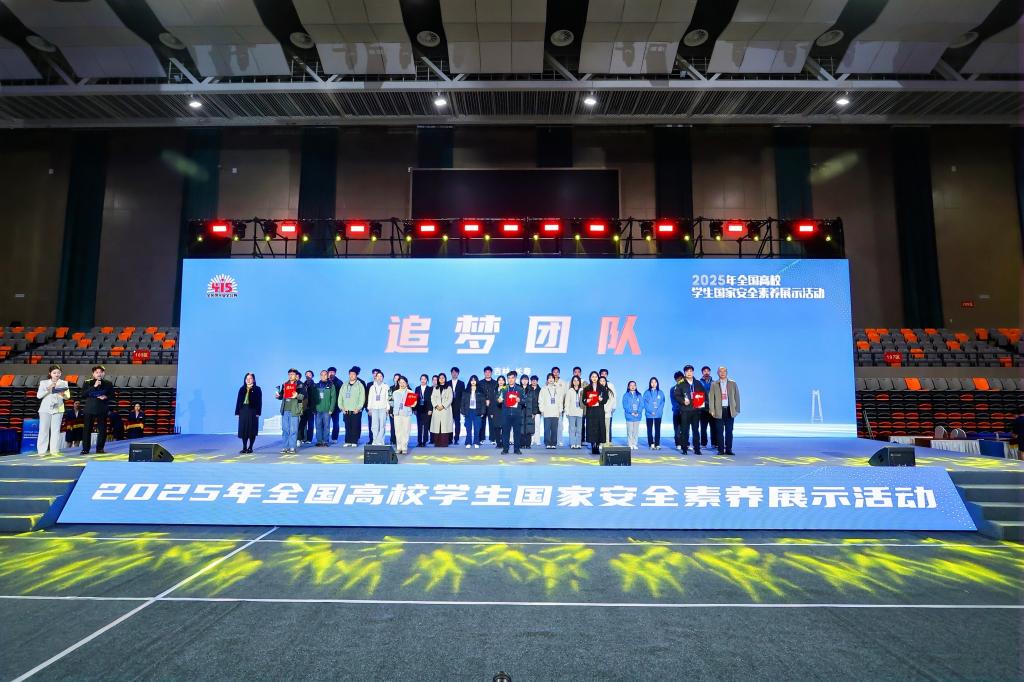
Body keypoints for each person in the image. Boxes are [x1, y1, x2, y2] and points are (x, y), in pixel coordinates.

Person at [81, 365, 115, 455]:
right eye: (97, 372)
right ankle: (85, 449)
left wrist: (106, 397)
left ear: (103, 373)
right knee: (87, 430)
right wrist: (94, 386)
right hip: (89, 409)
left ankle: (100, 448)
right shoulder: (87, 382)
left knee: (102, 430)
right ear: (93, 374)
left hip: (102, 408)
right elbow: (83, 395)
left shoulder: (108, 383)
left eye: (101, 372)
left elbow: (112, 395)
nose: (99, 374)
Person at [35, 365, 69, 455]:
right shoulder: (44, 383)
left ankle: (54, 450)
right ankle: (41, 451)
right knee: (43, 430)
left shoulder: (64, 383)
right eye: (54, 373)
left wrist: (63, 394)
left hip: (58, 408)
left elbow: (67, 397)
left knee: (56, 430)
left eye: (58, 373)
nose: (57, 374)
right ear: (50, 373)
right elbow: (39, 396)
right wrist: (48, 389)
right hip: (45, 409)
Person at [708, 366, 740, 456]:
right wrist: (711, 410)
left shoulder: (733, 383)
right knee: (719, 431)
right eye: (720, 371)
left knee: (729, 431)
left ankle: (729, 449)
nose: (722, 373)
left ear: (727, 372)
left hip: (730, 410)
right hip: (719, 410)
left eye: (724, 371)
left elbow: (737, 396)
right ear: (717, 373)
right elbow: (711, 398)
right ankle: (721, 450)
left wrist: (737, 410)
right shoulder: (714, 384)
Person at [671, 365, 703, 455]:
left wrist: (701, 405)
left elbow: (703, 393)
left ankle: (697, 449)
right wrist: (683, 401)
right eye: (687, 371)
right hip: (685, 410)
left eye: (690, 371)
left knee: (696, 431)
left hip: (696, 410)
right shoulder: (681, 384)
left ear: (693, 372)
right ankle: (684, 449)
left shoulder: (698, 383)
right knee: (685, 431)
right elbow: (676, 395)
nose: (689, 373)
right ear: (684, 373)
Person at [275, 368, 306, 454]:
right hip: (285, 409)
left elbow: (304, 396)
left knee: (293, 429)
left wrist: (297, 395)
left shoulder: (300, 385)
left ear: (296, 376)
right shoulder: (285, 384)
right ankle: (285, 447)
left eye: (292, 374)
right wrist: (278, 396)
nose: (290, 376)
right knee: (285, 429)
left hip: (294, 409)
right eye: (289, 374)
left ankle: (292, 447)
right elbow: (282, 395)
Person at [338, 366, 366, 447]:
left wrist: (359, 407)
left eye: (353, 374)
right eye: (350, 374)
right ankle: (347, 441)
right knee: (347, 426)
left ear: (356, 375)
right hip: (346, 410)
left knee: (355, 426)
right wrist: (341, 407)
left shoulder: (360, 385)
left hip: (355, 410)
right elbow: (340, 397)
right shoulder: (344, 385)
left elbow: (362, 398)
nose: (352, 376)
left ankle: (354, 441)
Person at [582, 372, 608, 455]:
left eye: (596, 376)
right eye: (592, 376)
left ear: (598, 377)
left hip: (599, 411)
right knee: (591, 428)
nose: (594, 378)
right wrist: (587, 400)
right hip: (591, 411)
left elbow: (606, 399)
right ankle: (593, 446)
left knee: (599, 428)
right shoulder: (587, 388)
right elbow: (583, 400)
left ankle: (597, 445)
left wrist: (601, 399)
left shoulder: (602, 388)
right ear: (590, 378)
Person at [234, 373, 261, 454]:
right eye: (247, 379)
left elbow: (259, 402)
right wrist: (237, 412)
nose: (248, 380)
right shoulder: (242, 389)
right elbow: (238, 401)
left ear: (254, 380)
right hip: (243, 411)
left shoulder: (257, 389)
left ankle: (250, 447)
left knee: (252, 429)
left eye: (250, 378)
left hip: (253, 411)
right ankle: (244, 447)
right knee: (244, 429)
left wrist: (258, 412)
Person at [501, 371, 524, 455]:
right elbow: (498, 398)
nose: (510, 380)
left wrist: (520, 400)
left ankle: (517, 449)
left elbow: (524, 400)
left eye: (512, 378)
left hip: (516, 414)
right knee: (505, 433)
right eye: (509, 378)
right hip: (506, 414)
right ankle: (505, 449)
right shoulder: (504, 388)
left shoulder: (520, 389)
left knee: (517, 433)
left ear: (515, 378)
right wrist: (499, 400)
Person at [313, 370, 337, 447]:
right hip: (318, 410)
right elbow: (313, 398)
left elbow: (333, 398)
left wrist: (331, 409)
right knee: (318, 426)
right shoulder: (316, 385)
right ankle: (319, 441)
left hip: (327, 410)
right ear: (320, 376)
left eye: (325, 375)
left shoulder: (331, 385)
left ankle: (325, 441)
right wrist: (313, 409)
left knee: (326, 426)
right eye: (322, 375)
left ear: (327, 376)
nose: (323, 376)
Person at [540, 373, 564, 449]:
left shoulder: (558, 389)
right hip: (547, 412)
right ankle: (547, 443)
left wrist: (560, 410)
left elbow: (560, 400)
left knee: (554, 429)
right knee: (546, 429)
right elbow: (540, 400)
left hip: (555, 412)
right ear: (547, 380)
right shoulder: (544, 389)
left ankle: (553, 443)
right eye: (549, 378)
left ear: (554, 379)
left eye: (552, 378)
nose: (551, 379)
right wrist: (541, 409)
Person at [391, 375, 414, 455]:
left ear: (406, 383)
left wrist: (411, 403)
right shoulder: (395, 392)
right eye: (400, 382)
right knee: (398, 431)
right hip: (397, 414)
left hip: (406, 414)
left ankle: (404, 447)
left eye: (404, 382)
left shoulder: (410, 392)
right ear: (398, 383)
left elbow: (414, 404)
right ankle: (399, 447)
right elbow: (392, 403)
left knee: (406, 431)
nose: (402, 384)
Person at [367, 369, 390, 446]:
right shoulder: (372, 387)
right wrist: (369, 408)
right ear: (375, 377)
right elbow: (370, 398)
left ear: (383, 378)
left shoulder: (386, 386)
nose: (379, 378)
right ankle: (375, 440)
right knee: (374, 426)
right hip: (374, 408)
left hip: (383, 408)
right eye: (378, 376)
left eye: (381, 376)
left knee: (382, 425)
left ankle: (381, 441)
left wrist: (388, 408)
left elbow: (388, 398)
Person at [461, 374, 485, 448]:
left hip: (477, 411)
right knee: (468, 428)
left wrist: (482, 412)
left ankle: (476, 442)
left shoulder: (480, 391)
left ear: (477, 381)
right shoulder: (466, 391)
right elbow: (462, 402)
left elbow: (483, 403)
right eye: (472, 380)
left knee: (477, 428)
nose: (473, 381)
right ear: (470, 381)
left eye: (475, 380)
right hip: (468, 411)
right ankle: (468, 442)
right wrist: (463, 411)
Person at [430, 372, 454, 447]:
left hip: (445, 410)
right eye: (440, 378)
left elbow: (450, 398)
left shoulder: (449, 388)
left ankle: (444, 443)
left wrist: (443, 406)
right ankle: (437, 443)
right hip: (437, 410)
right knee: (437, 426)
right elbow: (432, 398)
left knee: (444, 427)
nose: (441, 379)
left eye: (443, 378)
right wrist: (436, 406)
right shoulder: (435, 388)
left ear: (445, 379)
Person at [643, 377, 665, 450]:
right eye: (652, 382)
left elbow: (662, 403)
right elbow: (645, 403)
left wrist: (656, 412)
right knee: (649, 430)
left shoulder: (660, 392)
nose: (653, 384)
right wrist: (651, 411)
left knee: (657, 429)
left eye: (655, 382)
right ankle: (651, 444)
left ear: (657, 383)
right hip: (649, 415)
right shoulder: (646, 393)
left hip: (658, 414)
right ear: (650, 383)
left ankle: (657, 444)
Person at [698, 365, 717, 450]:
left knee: (714, 427)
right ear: (702, 373)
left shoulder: (714, 382)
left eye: (708, 371)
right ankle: (703, 444)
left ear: (710, 372)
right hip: (702, 409)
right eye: (704, 371)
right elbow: (697, 396)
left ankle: (714, 443)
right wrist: (698, 408)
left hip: (713, 408)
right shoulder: (698, 383)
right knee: (703, 428)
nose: (706, 372)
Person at [564, 375, 584, 449]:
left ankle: (578, 443)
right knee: (572, 429)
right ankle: (572, 443)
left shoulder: (582, 390)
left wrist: (583, 411)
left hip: (580, 412)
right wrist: (567, 412)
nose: (576, 382)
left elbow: (584, 402)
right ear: (572, 382)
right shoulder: (570, 391)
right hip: (571, 413)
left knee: (579, 429)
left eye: (577, 380)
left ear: (579, 382)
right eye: (574, 380)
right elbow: (567, 402)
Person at [479, 366, 498, 444]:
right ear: (484, 373)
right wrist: (485, 400)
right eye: (486, 372)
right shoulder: (480, 383)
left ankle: (492, 439)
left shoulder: (495, 383)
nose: (487, 373)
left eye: (489, 372)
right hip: (482, 406)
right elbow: (479, 395)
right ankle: (481, 438)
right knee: (482, 422)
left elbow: (497, 394)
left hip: (492, 405)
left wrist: (491, 401)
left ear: (491, 373)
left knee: (492, 422)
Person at [622, 380, 643, 450]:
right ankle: (630, 444)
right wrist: (631, 412)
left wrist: (638, 412)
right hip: (629, 416)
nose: (633, 386)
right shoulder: (626, 395)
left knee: (636, 431)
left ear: (636, 386)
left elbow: (641, 404)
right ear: (628, 387)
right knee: (630, 430)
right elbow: (625, 405)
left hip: (637, 416)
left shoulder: (639, 395)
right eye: (631, 385)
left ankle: (634, 444)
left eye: (634, 385)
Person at [414, 374, 432, 447]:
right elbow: (415, 399)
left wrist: (430, 409)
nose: (423, 380)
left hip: (427, 410)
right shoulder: (417, 388)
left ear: (427, 380)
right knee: (419, 426)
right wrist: (414, 409)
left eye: (424, 379)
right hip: (419, 410)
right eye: (422, 379)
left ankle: (424, 441)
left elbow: (431, 400)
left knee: (426, 426)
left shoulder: (430, 389)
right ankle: (419, 441)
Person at [519, 374, 537, 450]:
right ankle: (522, 444)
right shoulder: (518, 389)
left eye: (526, 379)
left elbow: (535, 402)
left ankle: (528, 444)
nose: (524, 381)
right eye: (523, 379)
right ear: (521, 380)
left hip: (529, 411)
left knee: (529, 427)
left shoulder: (531, 390)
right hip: (520, 411)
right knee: (521, 427)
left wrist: (534, 412)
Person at [298, 370, 316, 445]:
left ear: (312, 376)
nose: (308, 376)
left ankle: (309, 439)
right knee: (302, 424)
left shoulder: (315, 385)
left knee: (311, 424)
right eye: (307, 374)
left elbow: (316, 398)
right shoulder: (302, 385)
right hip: (304, 407)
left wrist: (314, 408)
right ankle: (302, 438)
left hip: (311, 408)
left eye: (310, 374)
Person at [600, 369, 617, 445]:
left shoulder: (610, 385)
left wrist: (612, 408)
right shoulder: (596, 387)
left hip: (608, 410)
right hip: (599, 412)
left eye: (605, 374)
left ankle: (608, 441)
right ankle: (600, 442)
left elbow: (613, 397)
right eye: (602, 373)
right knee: (600, 428)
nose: (604, 375)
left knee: (608, 427)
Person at [327, 366, 343, 443]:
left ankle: (334, 438)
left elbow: (342, 395)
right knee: (325, 423)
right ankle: (325, 438)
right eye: (330, 372)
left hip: (336, 407)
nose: (331, 373)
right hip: (326, 407)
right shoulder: (325, 381)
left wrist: (341, 406)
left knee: (335, 423)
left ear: (335, 373)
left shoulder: (339, 382)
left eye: (333, 372)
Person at [450, 367, 465, 445]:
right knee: (449, 423)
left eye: (456, 372)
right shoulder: (447, 383)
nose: (454, 374)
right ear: (451, 373)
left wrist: (462, 406)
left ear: (458, 373)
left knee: (457, 423)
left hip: (458, 406)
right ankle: (449, 438)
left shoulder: (461, 383)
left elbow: (463, 396)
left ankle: (456, 439)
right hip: (448, 406)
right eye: (453, 372)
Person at [494, 375, 508, 450]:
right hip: (496, 411)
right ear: (497, 381)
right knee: (496, 428)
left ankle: (503, 443)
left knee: (504, 428)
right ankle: (498, 443)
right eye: (499, 380)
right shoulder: (495, 389)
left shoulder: (507, 389)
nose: (501, 381)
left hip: (504, 410)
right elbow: (492, 401)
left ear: (504, 381)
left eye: (502, 380)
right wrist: (491, 412)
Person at [389, 372, 401, 445]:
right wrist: (390, 411)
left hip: (401, 411)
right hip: (393, 410)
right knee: (393, 426)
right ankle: (393, 439)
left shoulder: (403, 388)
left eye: (398, 378)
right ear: (393, 379)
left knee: (400, 426)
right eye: (395, 378)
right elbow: (390, 400)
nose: (396, 379)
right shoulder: (391, 388)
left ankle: (399, 439)